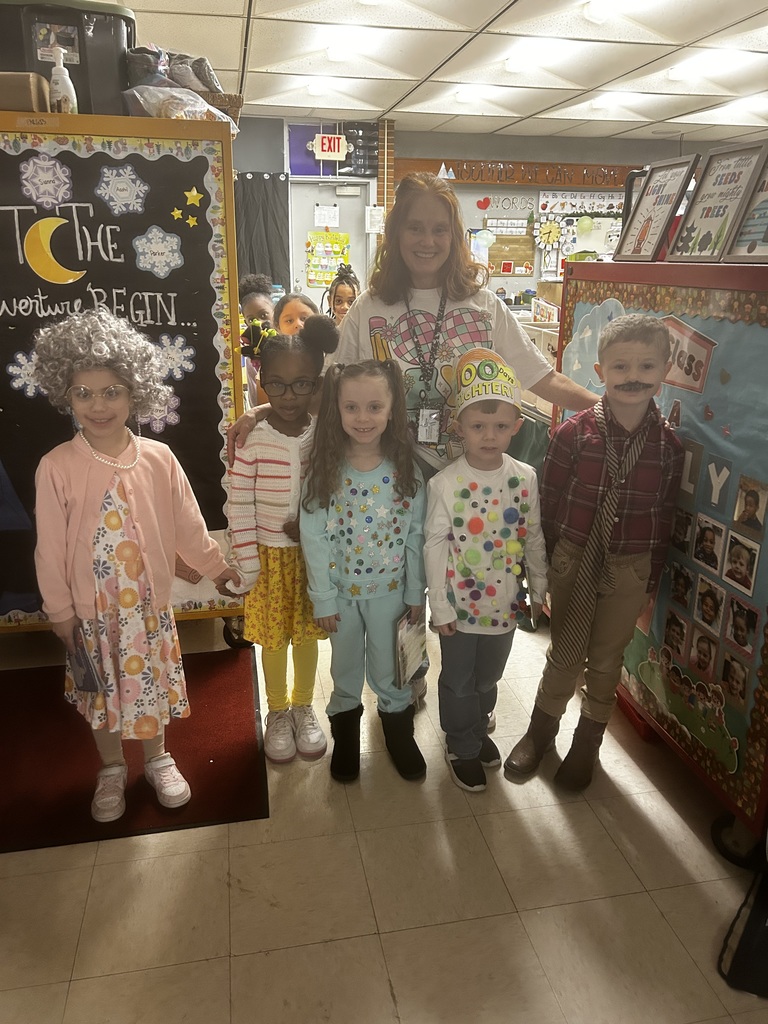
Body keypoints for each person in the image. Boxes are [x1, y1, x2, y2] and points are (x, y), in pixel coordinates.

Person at [32, 310, 240, 823]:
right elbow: (49, 547)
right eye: (84, 393)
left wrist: (216, 567)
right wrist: (61, 611)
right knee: (98, 690)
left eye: (112, 391)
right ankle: (110, 767)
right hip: (91, 615)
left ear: (136, 392)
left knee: (147, 683)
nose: (99, 405)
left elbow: (189, 523)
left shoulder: (159, 458)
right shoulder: (56, 465)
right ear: (66, 395)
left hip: (147, 609)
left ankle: (156, 757)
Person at [504, 314, 684, 790]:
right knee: (564, 654)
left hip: (629, 568)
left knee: (607, 661)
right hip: (573, 560)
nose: (634, 376)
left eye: (647, 365)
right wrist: (537, 572)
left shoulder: (667, 448)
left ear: (665, 369)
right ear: (601, 370)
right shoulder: (573, 435)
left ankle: (588, 743)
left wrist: (651, 580)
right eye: (620, 366)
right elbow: (545, 508)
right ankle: (540, 733)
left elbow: (664, 516)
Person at [424, 350, 547, 792]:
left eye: (500, 427)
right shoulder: (445, 483)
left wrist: (541, 586)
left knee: (488, 677)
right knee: (458, 679)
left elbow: (532, 535)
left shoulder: (526, 477)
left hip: (506, 604)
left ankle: (476, 730)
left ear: (517, 426)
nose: (489, 436)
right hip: (458, 607)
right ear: (460, 428)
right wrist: (438, 604)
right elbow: (435, 544)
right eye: (478, 426)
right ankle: (461, 743)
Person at [300, 360, 427, 783]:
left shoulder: (407, 470)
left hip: (392, 594)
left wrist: (415, 593)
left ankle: (399, 734)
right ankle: (347, 738)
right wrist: (322, 597)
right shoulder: (326, 469)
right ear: (336, 409)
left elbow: (415, 536)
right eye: (351, 407)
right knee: (345, 669)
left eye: (375, 406)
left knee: (393, 671)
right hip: (341, 596)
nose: (363, 417)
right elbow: (313, 535)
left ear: (393, 409)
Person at [228, 317, 339, 763]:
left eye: (301, 384)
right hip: (267, 560)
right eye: (276, 384)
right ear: (261, 379)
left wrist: (316, 523)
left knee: (308, 636)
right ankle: (276, 710)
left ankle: (302, 706)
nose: (288, 396)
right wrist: (246, 561)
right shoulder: (253, 437)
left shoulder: (324, 435)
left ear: (316, 381)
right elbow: (239, 504)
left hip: (312, 559)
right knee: (273, 639)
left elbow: (335, 491)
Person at [239, 273, 274, 410]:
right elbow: (255, 399)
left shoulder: (287, 344)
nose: (258, 323)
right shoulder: (251, 355)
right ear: (245, 320)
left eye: (263, 315)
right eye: (251, 319)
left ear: (274, 311)